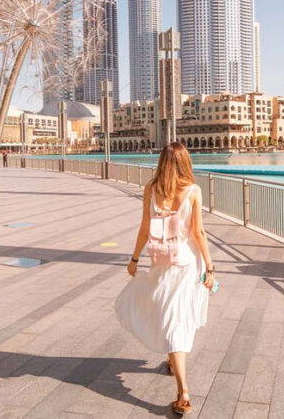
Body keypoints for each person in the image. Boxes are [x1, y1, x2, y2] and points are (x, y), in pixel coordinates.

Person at [115, 142, 215, 415]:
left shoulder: (151, 189)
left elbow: (145, 229)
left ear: (162, 162)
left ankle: (183, 390)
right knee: (176, 317)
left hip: (160, 263)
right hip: (186, 265)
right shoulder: (193, 191)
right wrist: (210, 265)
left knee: (171, 318)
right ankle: (178, 377)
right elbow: (199, 233)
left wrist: (134, 259)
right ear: (185, 163)